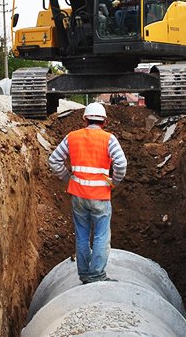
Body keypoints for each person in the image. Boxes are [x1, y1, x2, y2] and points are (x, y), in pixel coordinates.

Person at [48, 102, 127, 284]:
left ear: (85, 119)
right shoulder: (109, 139)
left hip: (78, 196)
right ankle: (97, 276)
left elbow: (54, 160)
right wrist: (113, 182)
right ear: (104, 121)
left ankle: (84, 275)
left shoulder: (72, 137)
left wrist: (68, 178)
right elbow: (121, 164)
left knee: (82, 235)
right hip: (100, 196)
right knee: (101, 236)